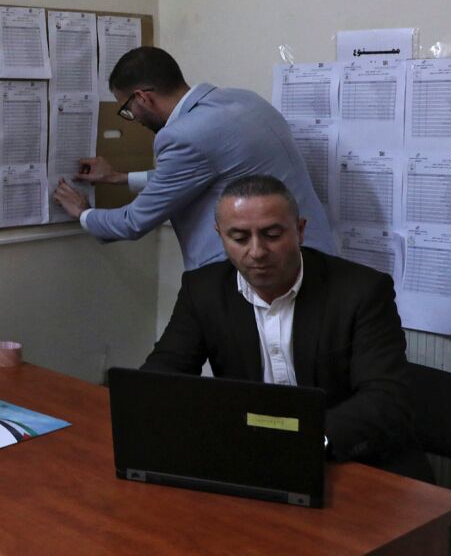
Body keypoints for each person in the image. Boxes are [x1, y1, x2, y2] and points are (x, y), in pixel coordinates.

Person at [141, 175, 431, 481]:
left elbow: (387, 399)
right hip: (252, 455)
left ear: (300, 230)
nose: (257, 251)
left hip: (348, 457)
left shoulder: (361, 291)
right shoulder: (203, 290)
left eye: (272, 234)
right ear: (220, 235)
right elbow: (162, 374)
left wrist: (305, 443)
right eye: (239, 238)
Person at [52, 46, 335, 269]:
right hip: (310, 256)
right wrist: (118, 178)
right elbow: (208, 174)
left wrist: (82, 212)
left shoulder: (183, 135)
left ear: (142, 98)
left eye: (127, 109)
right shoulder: (244, 100)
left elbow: (133, 222)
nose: (132, 119)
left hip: (258, 271)